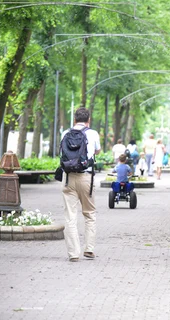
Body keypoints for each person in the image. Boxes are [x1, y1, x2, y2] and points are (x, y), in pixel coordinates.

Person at [61, 107, 101, 262]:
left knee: (70, 216)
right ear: (88, 120)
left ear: (74, 120)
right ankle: (89, 249)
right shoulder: (93, 133)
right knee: (89, 214)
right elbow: (97, 151)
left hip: (69, 178)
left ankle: (73, 253)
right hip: (86, 177)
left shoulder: (65, 133)